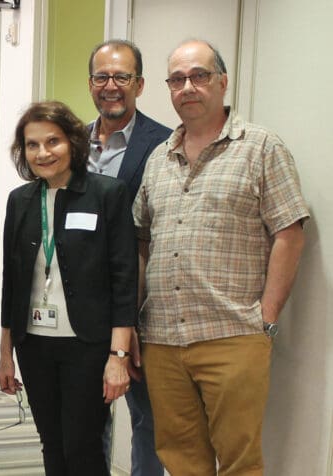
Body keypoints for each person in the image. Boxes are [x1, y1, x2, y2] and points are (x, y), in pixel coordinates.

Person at [134, 39, 308, 475]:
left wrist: (265, 318)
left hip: (232, 334)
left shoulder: (261, 147)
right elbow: (141, 239)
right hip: (163, 340)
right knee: (180, 459)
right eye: (177, 79)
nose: (187, 87)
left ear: (223, 82)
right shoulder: (158, 158)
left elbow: (289, 233)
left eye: (199, 75)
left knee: (239, 462)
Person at [0, 101, 137, 475]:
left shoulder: (107, 194)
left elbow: (124, 279)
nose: (43, 153)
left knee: (83, 445)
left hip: (86, 344)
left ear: (72, 142)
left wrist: (118, 357)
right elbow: (12, 282)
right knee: (52, 443)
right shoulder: (20, 200)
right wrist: (6, 354)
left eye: (53, 141)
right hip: (35, 343)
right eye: (32, 145)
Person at [86, 39, 169, 476]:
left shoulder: (165, 144)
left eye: (121, 77)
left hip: (141, 306)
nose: (111, 86)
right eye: (102, 76)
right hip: (81, 308)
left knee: (148, 419)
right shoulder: (72, 144)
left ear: (139, 84)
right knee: (86, 421)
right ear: (90, 83)